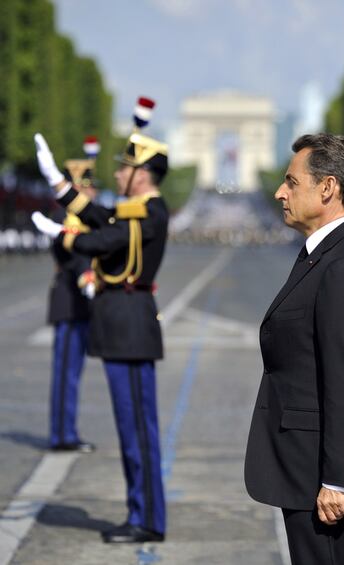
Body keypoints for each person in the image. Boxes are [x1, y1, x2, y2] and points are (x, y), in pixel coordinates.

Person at [244, 133, 344, 565]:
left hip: (325, 482)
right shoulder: (329, 255)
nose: (280, 192)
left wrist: (336, 481)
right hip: (309, 469)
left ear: (328, 188)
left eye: (292, 182)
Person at [34, 97, 169, 544]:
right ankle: (141, 512)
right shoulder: (137, 209)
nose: (116, 175)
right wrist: (58, 184)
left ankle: (147, 518)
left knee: (137, 432)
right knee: (130, 429)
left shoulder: (151, 210)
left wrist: (67, 236)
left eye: (123, 169)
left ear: (141, 173)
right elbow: (101, 216)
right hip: (121, 326)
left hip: (130, 327)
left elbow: (105, 235)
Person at [46, 138, 99, 452]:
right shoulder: (64, 218)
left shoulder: (80, 218)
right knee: (66, 374)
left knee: (73, 373)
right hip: (69, 303)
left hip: (80, 305)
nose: (92, 193)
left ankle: (66, 431)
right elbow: (73, 255)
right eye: (88, 187)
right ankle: (62, 435)